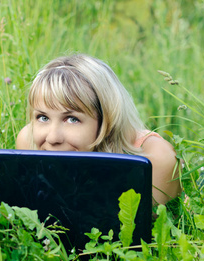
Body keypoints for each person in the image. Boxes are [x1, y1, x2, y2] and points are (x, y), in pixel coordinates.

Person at [16, 54, 181, 205]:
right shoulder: (29, 142)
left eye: (72, 119)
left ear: (106, 121)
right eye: (43, 117)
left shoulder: (156, 160)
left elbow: (154, 233)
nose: (52, 138)